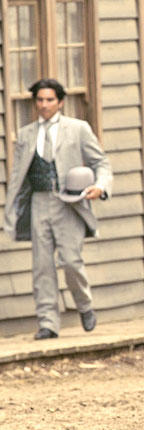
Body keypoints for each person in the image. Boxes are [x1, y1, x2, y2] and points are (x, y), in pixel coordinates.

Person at [3, 78, 111, 340]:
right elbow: (18, 176)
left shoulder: (77, 129)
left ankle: (84, 305)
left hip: (69, 203)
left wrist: (100, 186)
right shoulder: (26, 134)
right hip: (39, 202)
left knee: (71, 261)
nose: (44, 105)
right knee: (42, 266)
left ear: (60, 102)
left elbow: (101, 163)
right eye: (40, 100)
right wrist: (13, 207)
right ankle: (48, 323)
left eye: (49, 100)